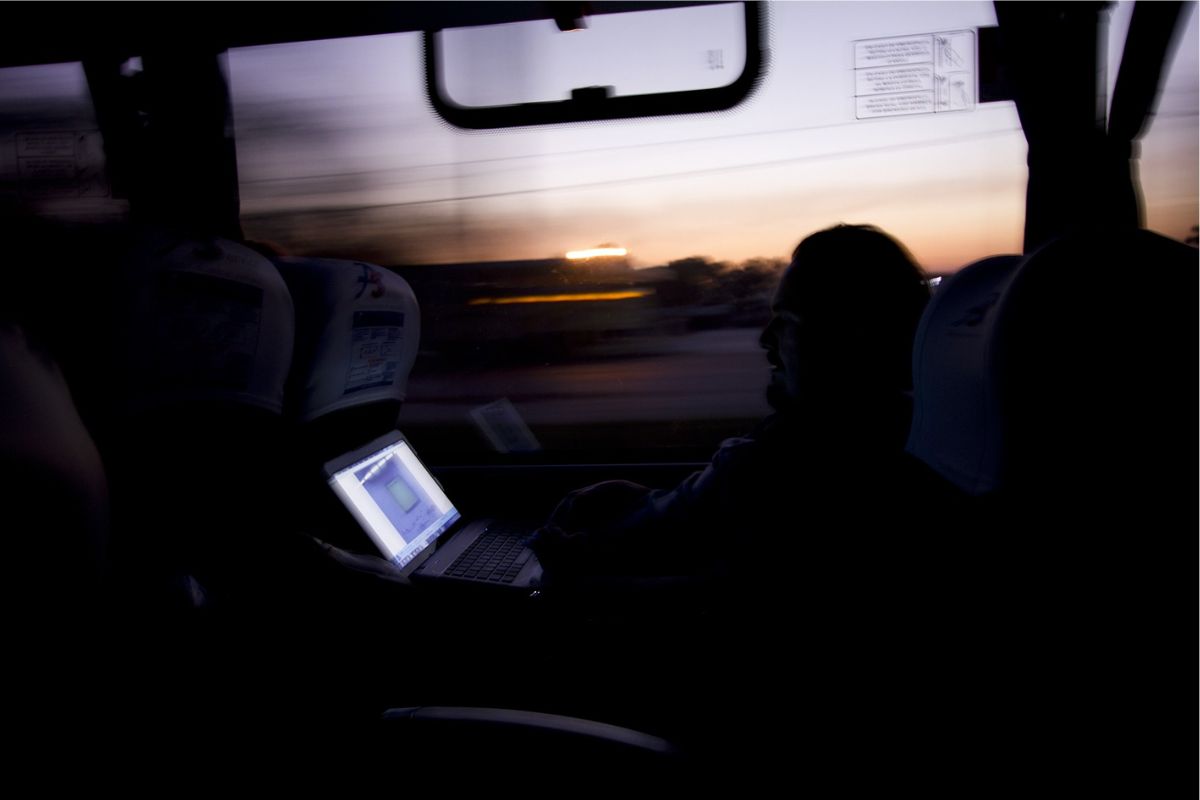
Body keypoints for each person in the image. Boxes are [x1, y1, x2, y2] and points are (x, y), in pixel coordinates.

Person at [528, 224, 931, 590]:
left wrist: (573, 571)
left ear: (851, 335)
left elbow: (721, 591)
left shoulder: (780, 466)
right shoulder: (908, 430)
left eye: (786, 320)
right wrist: (649, 496)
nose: (765, 339)